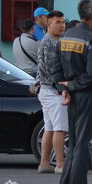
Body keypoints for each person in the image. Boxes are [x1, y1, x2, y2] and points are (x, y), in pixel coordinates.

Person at [56, 0, 92, 184]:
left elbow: (58, 68)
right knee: (84, 143)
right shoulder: (90, 39)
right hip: (89, 95)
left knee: (74, 142)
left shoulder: (67, 35)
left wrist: (65, 88)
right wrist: (74, 85)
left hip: (72, 96)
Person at [33, 11, 67, 174]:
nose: (62, 25)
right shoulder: (50, 43)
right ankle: (60, 164)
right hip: (53, 91)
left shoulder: (50, 41)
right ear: (48, 24)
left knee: (50, 128)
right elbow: (54, 70)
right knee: (60, 129)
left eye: (63, 22)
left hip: (46, 90)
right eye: (58, 22)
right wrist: (63, 90)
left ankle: (44, 163)